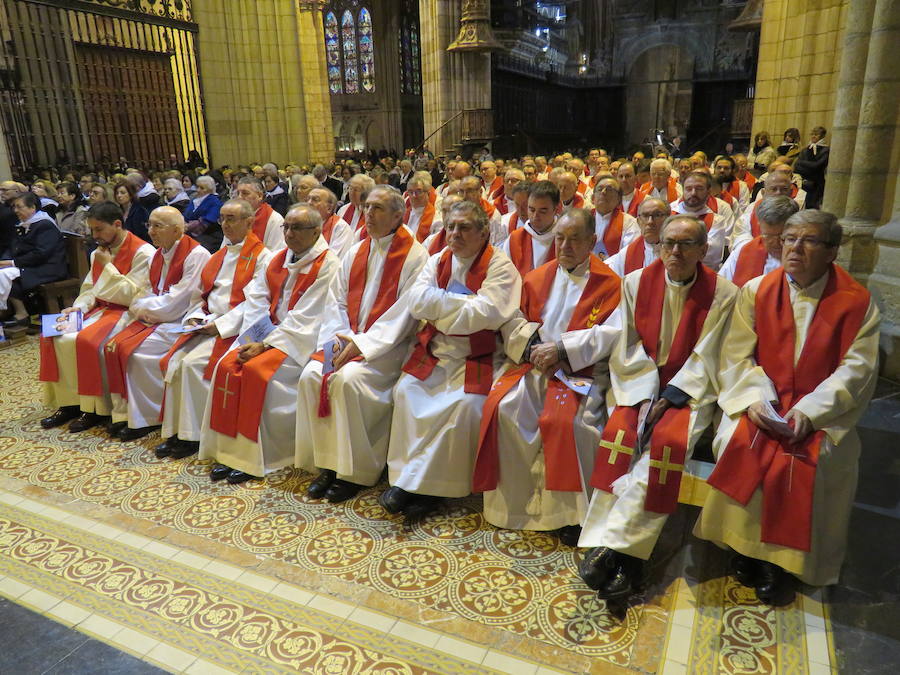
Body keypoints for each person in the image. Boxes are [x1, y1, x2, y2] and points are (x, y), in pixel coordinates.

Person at [697, 210, 879, 605]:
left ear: (832, 251)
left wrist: (810, 411)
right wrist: (756, 401)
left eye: (809, 240)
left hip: (820, 411)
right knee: (736, 440)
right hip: (764, 401)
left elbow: (857, 369)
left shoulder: (857, 303)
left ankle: (780, 563)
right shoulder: (758, 290)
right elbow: (736, 355)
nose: (795, 247)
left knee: (809, 460)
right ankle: (743, 547)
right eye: (790, 238)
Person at [578, 215, 738, 601]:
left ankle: (609, 549)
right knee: (621, 442)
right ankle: (630, 559)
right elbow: (627, 345)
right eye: (668, 243)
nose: (675, 252)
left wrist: (673, 395)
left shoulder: (724, 293)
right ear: (659, 246)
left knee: (659, 455)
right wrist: (647, 393)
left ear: (704, 250)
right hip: (640, 385)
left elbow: (712, 353)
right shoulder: (635, 284)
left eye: (685, 245)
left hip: (690, 393)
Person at [475, 208, 621, 544]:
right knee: (504, 410)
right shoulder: (536, 277)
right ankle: (513, 506)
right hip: (534, 367)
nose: (565, 246)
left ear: (592, 241)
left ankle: (569, 515)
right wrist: (531, 345)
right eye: (560, 237)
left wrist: (563, 349)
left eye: (575, 239)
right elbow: (513, 320)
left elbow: (613, 333)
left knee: (569, 425)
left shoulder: (610, 284)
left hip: (579, 373)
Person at [380, 200, 521, 517]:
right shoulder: (438, 260)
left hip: (479, 356)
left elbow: (487, 313)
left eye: (464, 227)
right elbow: (416, 301)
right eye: (451, 227)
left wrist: (440, 308)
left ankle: (434, 490)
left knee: (464, 406)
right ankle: (406, 481)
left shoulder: (500, 266)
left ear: (483, 231)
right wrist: (459, 305)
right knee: (406, 392)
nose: (454, 234)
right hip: (438, 352)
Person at [296, 185, 427, 502]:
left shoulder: (415, 256)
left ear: (398, 215)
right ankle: (329, 464)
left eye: (378, 208)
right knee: (312, 376)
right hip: (346, 340)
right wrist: (340, 339)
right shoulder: (356, 250)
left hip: (387, 348)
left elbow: (404, 314)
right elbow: (336, 302)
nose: (368, 213)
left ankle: (356, 472)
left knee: (349, 382)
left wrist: (361, 344)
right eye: (367, 207)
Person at [200, 205, 339, 483]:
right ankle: (229, 454)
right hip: (266, 335)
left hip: (297, 342)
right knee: (226, 365)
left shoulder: (329, 264)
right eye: (285, 227)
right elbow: (256, 301)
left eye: (296, 228)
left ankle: (254, 460)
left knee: (256, 373)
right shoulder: (276, 259)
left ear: (316, 231)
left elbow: (309, 316)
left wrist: (267, 345)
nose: (289, 233)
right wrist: (255, 338)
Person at [154, 199, 272, 460]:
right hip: (209, 322)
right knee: (175, 361)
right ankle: (178, 431)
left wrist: (219, 326)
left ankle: (193, 436)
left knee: (193, 365)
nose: (226, 225)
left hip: (232, 327)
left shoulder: (263, 256)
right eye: (222, 219)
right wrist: (197, 318)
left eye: (232, 218)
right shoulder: (218, 254)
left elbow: (254, 304)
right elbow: (200, 296)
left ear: (250, 222)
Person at [39, 201, 155, 432]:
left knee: (83, 341)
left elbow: (133, 296)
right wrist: (78, 308)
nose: (95, 235)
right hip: (99, 309)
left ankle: (94, 409)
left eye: (99, 229)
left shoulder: (143, 252)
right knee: (54, 336)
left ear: (117, 224)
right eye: (92, 230)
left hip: (126, 313)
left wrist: (108, 267)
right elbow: (91, 287)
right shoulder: (98, 252)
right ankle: (69, 403)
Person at [104, 207, 210, 440]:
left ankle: (148, 417)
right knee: (115, 345)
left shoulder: (196, 255)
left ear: (177, 229)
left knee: (135, 354)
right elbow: (147, 290)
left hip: (179, 321)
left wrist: (141, 308)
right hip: (156, 318)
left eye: (157, 226)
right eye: (149, 225)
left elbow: (179, 301)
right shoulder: (159, 253)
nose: (151, 231)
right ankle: (131, 414)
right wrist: (143, 307)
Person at [0, 193, 67, 327]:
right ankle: (12, 311)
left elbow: (41, 254)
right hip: (32, 264)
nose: (15, 211)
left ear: (32, 208)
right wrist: (4, 260)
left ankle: (19, 312)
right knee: (3, 270)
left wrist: (12, 263)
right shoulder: (24, 225)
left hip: (49, 267)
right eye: (14, 207)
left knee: (4, 274)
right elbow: (13, 247)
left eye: (19, 207)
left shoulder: (44, 225)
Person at [720, 196, 798, 286]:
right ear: (760, 226)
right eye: (767, 235)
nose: (775, 242)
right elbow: (723, 288)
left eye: (782, 236)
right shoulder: (744, 252)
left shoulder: (807, 258)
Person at [669, 171, 727, 269]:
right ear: (683, 190)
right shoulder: (669, 214)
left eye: (699, 189)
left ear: (709, 192)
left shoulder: (717, 221)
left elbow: (711, 257)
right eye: (688, 189)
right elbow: (661, 249)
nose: (693, 193)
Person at [499, 180, 559, 276]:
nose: (535, 216)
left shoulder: (565, 237)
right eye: (531, 210)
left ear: (555, 210)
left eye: (542, 211)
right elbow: (504, 274)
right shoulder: (515, 238)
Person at [733, 171, 802, 245]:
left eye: (784, 189)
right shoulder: (748, 217)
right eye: (773, 189)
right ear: (763, 193)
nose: (778, 193)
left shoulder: (799, 218)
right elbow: (740, 246)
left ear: (791, 192)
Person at [603, 198, 667, 277]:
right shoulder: (626, 255)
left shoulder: (678, 250)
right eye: (645, 216)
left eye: (657, 215)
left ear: (668, 220)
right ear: (638, 222)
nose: (650, 221)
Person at [590, 176, 639, 258]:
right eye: (599, 189)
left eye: (609, 189)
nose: (603, 192)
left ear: (619, 200)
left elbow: (628, 255)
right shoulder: (582, 219)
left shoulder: (629, 223)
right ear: (593, 198)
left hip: (615, 269)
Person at [234, 176, 285, 252]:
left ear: (260, 196)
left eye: (245, 193)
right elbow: (228, 248)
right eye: (238, 193)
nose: (239, 197)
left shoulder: (275, 220)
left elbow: (276, 253)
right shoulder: (234, 217)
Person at [307, 187, 354, 258]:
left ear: (329, 208)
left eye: (315, 200)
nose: (309, 203)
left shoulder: (341, 228)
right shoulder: (302, 223)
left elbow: (334, 259)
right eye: (308, 199)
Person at [183, 175, 224, 252]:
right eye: (197, 187)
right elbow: (185, 216)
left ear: (210, 189)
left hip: (209, 235)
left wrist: (186, 227)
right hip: (189, 232)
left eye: (202, 188)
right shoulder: (194, 200)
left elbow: (207, 222)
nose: (198, 190)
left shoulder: (215, 201)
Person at [794, 126, 830, 210]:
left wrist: (803, 163)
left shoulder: (825, 150)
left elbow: (818, 166)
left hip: (817, 183)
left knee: (813, 205)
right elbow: (797, 165)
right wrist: (809, 166)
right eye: (812, 134)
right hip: (804, 181)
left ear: (822, 136)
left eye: (816, 134)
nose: (813, 136)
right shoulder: (806, 149)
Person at [404, 174, 436, 242]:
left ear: (428, 193)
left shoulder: (436, 220)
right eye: (410, 192)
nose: (414, 196)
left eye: (418, 191)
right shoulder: (404, 214)